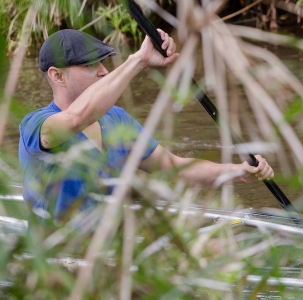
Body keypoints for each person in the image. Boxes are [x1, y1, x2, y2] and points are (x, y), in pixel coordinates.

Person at [19, 29, 274, 221]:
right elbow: (75, 118)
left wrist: (237, 171)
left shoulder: (116, 119)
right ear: (57, 75)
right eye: (90, 65)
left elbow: (175, 168)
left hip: (110, 251)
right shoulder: (35, 126)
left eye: (104, 62)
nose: (104, 71)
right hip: (62, 261)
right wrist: (139, 60)